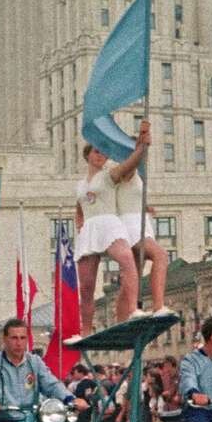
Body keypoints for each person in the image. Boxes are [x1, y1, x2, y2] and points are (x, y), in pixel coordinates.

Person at [74, 133, 145, 329]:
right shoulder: (80, 185)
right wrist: (79, 222)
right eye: (97, 151)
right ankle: (86, 329)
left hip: (109, 224)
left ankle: (132, 309)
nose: (100, 156)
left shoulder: (109, 175)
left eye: (104, 153)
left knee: (127, 260)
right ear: (88, 155)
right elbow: (80, 206)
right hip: (90, 229)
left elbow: (129, 165)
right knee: (86, 287)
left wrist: (139, 148)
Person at [111, 121, 173, 317]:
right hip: (131, 226)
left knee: (133, 276)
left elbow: (125, 198)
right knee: (160, 255)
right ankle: (158, 306)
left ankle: (123, 316)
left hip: (138, 221)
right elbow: (133, 163)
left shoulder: (134, 174)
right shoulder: (125, 170)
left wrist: (144, 208)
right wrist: (142, 143)